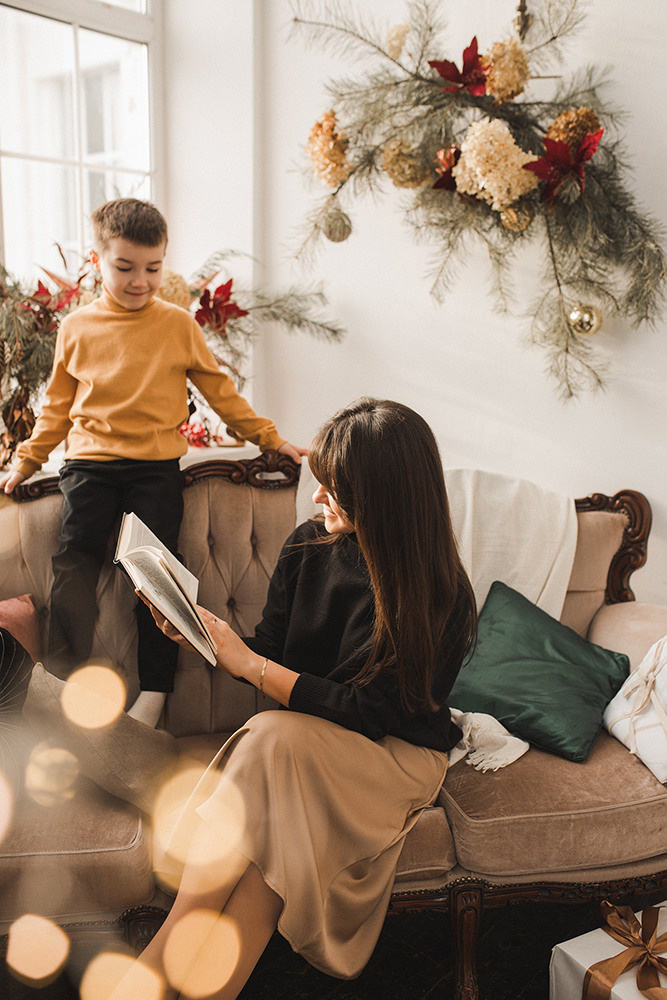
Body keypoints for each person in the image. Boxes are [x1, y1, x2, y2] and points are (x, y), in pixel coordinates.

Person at [115, 397, 477, 1000]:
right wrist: (203, 636)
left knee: (272, 741)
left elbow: (370, 714)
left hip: (391, 757)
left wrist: (251, 663)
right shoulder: (308, 545)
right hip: (298, 750)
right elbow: (271, 654)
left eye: (334, 490)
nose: (316, 499)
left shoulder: (439, 593)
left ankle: (156, 962)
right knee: (273, 821)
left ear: (382, 497)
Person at [0, 198, 305, 727]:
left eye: (153, 268)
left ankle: (155, 693)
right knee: (73, 564)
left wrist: (271, 439)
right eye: (125, 268)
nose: (140, 280)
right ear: (98, 262)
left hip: (154, 470)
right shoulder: (75, 328)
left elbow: (220, 393)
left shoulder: (178, 325)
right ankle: (71, 684)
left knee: (156, 574)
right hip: (90, 467)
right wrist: (25, 465)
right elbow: (55, 410)